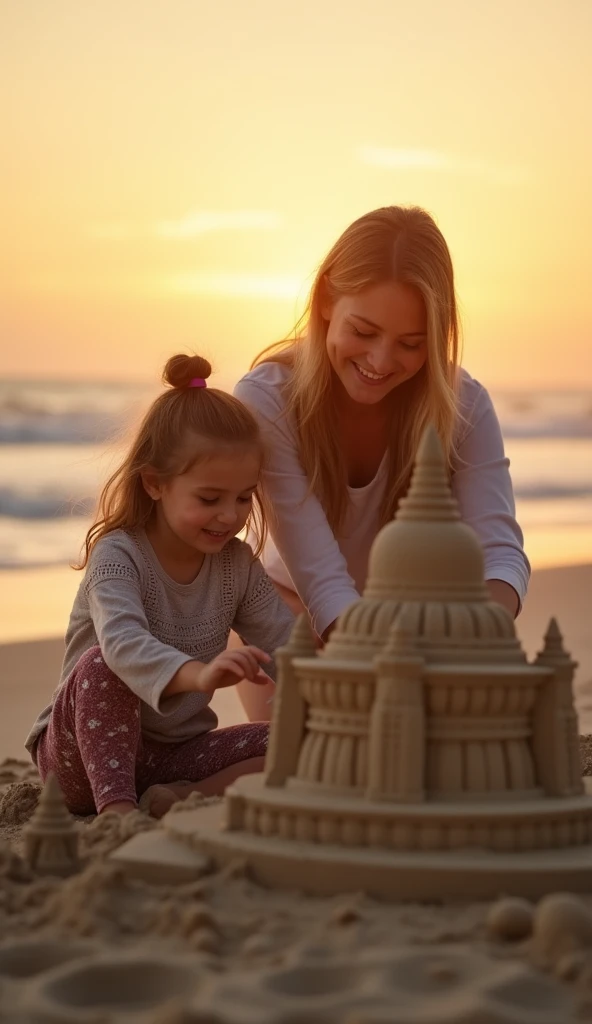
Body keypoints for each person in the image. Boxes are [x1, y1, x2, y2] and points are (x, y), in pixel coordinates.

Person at [234, 205, 530, 721]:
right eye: (364, 332)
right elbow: (321, 580)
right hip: (292, 616)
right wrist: (391, 674)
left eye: (410, 344)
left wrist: (480, 638)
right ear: (327, 298)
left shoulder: (464, 405)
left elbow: (499, 553)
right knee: (308, 758)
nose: (380, 361)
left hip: (420, 626)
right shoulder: (267, 400)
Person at [25, 354, 294, 818]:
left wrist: (347, 691)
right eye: (209, 498)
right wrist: (199, 674)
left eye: (244, 497)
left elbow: (288, 643)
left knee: (291, 738)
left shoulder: (237, 565)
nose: (230, 515)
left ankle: (178, 800)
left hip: (174, 757)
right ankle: (117, 811)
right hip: (80, 761)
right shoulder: (118, 555)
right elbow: (124, 647)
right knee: (101, 665)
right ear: (154, 484)